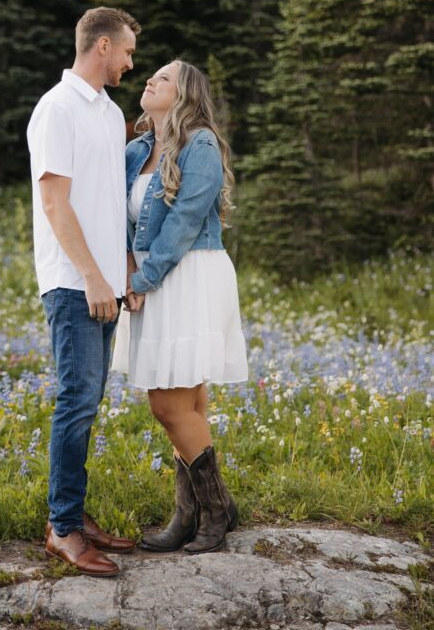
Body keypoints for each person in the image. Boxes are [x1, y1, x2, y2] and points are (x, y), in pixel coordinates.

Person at [111, 59, 248, 553]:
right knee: (187, 403)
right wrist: (129, 271)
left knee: (168, 404)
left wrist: (144, 277)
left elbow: (187, 219)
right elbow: (117, 218)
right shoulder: (135, 150)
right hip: (151, 277)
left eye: (163, 78)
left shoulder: (201, 145)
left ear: (185, 93)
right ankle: (191, 513)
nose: (150, 79)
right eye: (151, 76)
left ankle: (214, 509)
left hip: (187, 274)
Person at [27, 6, 141, 577]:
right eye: (125, 53)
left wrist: (121, 269)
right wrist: (93, 277)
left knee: (88, 402)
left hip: (104, 280)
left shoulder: (107, 112)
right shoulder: (57, 109)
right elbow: (54, 202)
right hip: (74, 282)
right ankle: (62, 529)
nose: (128, 63)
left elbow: (108, 199)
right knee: (75, 401)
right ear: (101, 45)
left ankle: (74, 514)